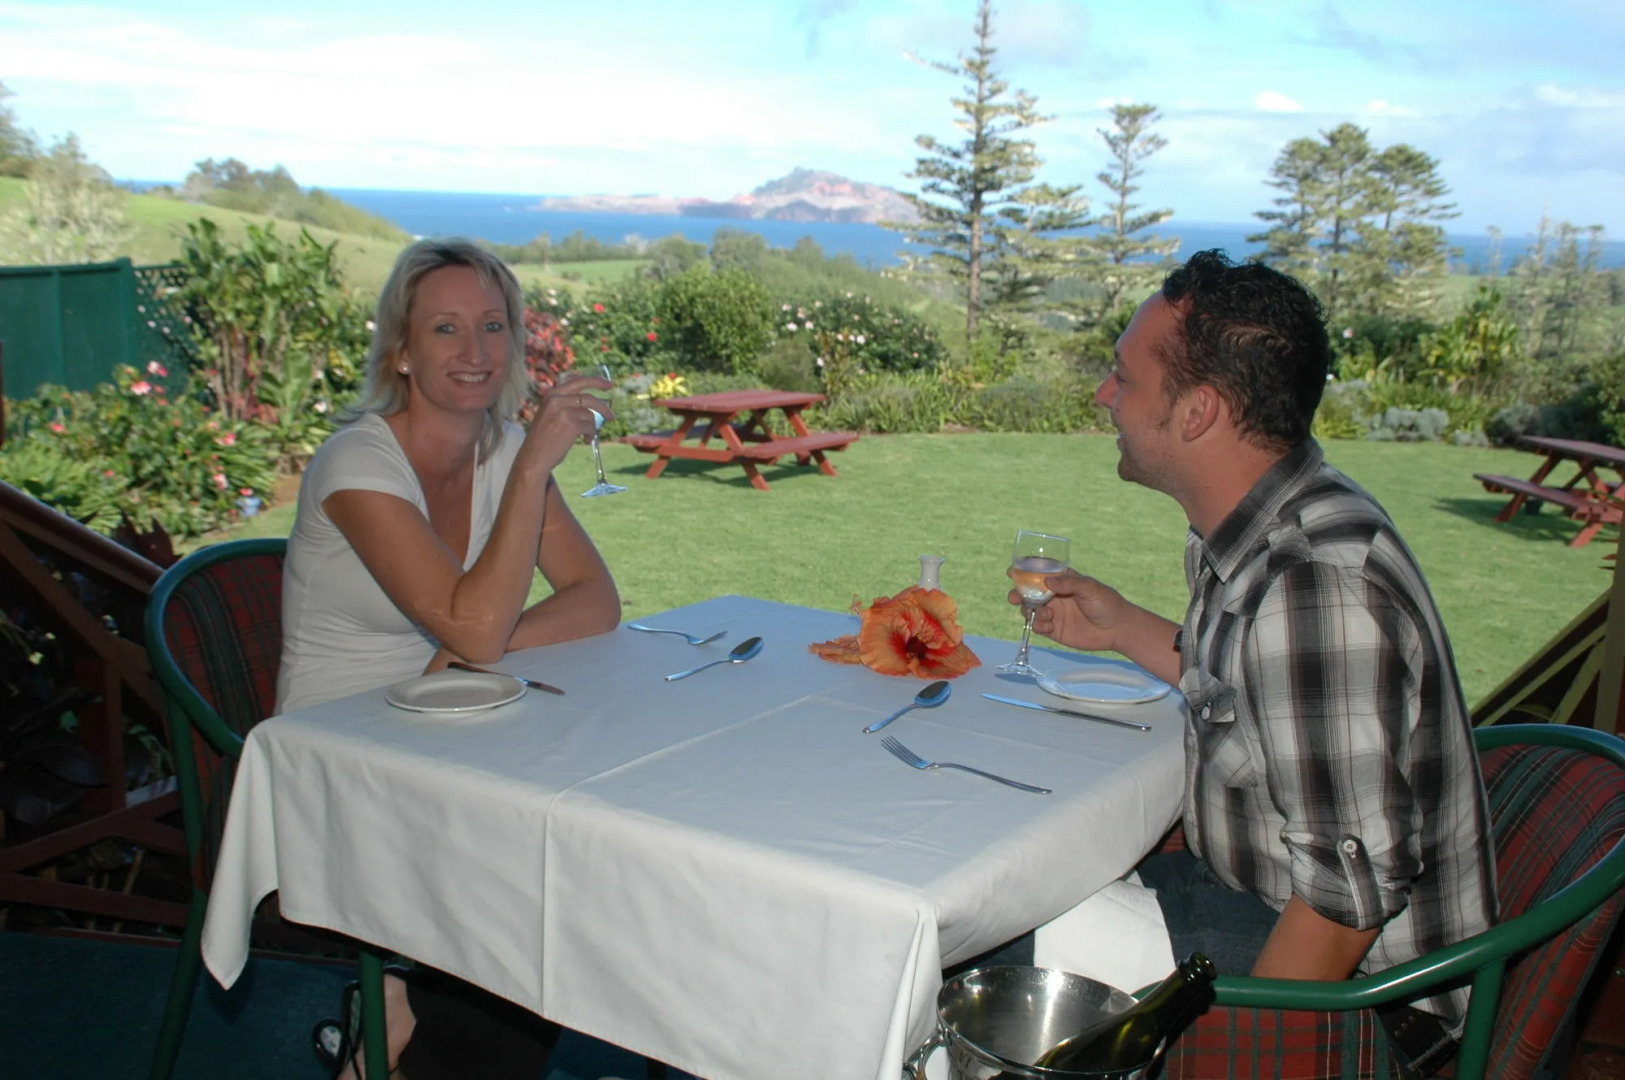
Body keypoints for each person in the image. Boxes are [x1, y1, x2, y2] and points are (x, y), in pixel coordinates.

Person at [1020, 250, 1496, 1077]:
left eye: (1122, 378)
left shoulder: (1315, 583)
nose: (1104, 395)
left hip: (1365, 1005)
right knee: (1022, 897)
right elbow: (1259, 688)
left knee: (1002, 966)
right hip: (1252, 900)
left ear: (1197, 410)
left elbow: (1348, 898)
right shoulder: (1260, 524)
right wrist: (1123, 626)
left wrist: (1240, 1054)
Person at [277, 237, 621, 1079]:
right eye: (443, 328)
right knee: (524, 894)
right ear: (400, 349)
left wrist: (461, 660)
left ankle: (400, 1023)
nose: (474, 352)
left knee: (584, 839)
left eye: (492, 326)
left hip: (452, 729)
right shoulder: (356, 462)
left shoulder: (502, 449)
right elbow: (472, 628)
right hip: (337, 759)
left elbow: (593, 600)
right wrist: (534, 469)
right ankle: (410, 1030)